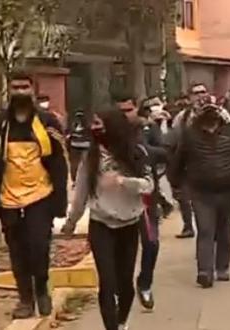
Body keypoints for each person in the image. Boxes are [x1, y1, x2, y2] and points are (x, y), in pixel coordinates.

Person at [0, 71, 68, 319]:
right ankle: (25, 300)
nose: (20, 92)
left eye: (25, 87)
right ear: (9, 90)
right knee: (16, 252)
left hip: (40, 196)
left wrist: (60, 203)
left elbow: (60, 164)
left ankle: (41, 289)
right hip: (7, 199)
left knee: (38, 247)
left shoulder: (48, 122)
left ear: (33, 89)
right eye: (15, 87)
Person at [61, 109, 154, 330]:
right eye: (93, 125)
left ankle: (121, 322)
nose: (94, 129)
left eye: (99, 124)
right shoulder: (90, 157)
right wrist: (71, 221)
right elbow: (81, 191)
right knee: (107, 282)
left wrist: (124, 181)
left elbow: (149, 185)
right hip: (101, 224)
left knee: (125, 285)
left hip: (129, 224)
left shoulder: (136, 153)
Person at [168, 101, 230, 288]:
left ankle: (222, 267)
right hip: (201, 192)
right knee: (205, 230)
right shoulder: (190, 136)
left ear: (219, 121)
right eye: (207, 124)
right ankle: (204, 271)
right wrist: (176, 184)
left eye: (213, 123)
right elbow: (178, 161)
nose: (210, 128)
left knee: (224, 229)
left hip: (228, 190)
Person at [115, 93, 170, 310]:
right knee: (122, 250)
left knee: (151, 243)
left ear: (137, 109)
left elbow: (165, 153)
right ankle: (122, 289)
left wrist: (144, 151)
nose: (124, 116)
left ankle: (145, 283)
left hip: (146, 197)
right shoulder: (108, 132)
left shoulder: (148, 129)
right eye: (120, 111)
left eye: (128, 110)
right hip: (118, 200)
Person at [68, 109, 91, 183]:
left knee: (81, 164)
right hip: (79, 146)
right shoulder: (76, 125)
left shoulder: (75, 125)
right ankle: (76, 180)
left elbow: (70, 135)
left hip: (80, 146)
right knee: (77, 164)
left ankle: (79, 180)